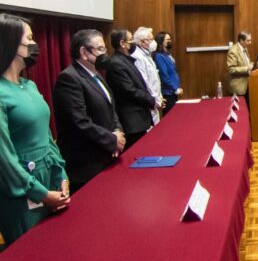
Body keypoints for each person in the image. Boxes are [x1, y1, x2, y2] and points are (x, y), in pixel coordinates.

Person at [0, 14, 70, 244]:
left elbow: (47, 135)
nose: (34, 44)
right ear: (10, 43)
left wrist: (61, 174)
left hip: (49, 179)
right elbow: (5, 159)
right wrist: (40, 193)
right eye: (28, 38)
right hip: (21, 191)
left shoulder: (28, 85)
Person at [52, 29, 125, 192]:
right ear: (84, 52)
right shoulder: (69, 79)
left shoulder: (97, 75)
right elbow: (80, 122)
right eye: (100, 49)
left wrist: (118, 132)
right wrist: (112, 140)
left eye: (105, 49)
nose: (104, 54)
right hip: (86, 165)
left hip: (107, 155)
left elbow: (111, 108)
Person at [105, 29, 157, 149]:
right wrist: (150, 100)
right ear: (122, 43)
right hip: (131, 121)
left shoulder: (125, 60)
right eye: (131, 40)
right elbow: (129, 90)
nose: (133, 42)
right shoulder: (116, 64)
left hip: (139, 118)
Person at [131, 27, 164, 125]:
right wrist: (155, 100)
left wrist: (159, 97)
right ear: (142, 41)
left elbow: (155, 79)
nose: (154, 42)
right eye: (151, 39)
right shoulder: (137, 57)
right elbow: (144, 82)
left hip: (155, 101)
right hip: (149, 102)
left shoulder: (147, 55)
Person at [153, 31, 182, 115]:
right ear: (161, 42)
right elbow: (164, 75)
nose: (170, 41)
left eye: (170, 39)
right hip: (168, 93)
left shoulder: (167, 55)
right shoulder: (159, 56)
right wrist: (175, 89)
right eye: (167, 39)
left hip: (173, 91)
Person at [227, 32, 254, 105]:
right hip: (239, 89)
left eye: (250, 40)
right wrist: (246, 68)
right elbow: (231, 69)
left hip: (247, 86)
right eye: (248, 41)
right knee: (241, 113)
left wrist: (254, 64)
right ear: (241, 41)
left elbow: (246, 63)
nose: (250, 43)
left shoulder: (245, 48)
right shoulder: (233, 51)